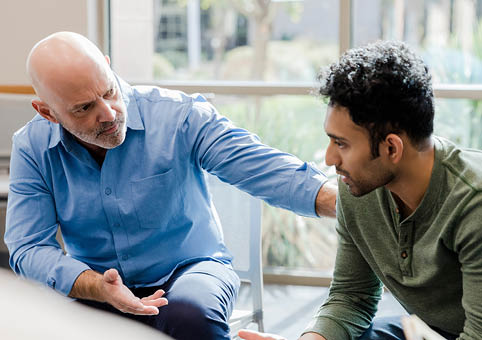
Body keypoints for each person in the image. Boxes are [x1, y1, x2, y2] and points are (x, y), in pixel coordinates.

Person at [4, 31, 336, 340]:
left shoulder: (179, 116)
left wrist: (349, 202)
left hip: (191, 270)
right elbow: (28, 247)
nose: (108, 113)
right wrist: (95, 286)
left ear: (107, 66)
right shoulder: (33, 147)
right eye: (84, 108)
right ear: (47, 112)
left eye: (109, 91)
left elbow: (262, 168)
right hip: (99, 283)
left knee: (190, 316)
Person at [238, 41, 482, 340]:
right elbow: (352, 296)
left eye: (341, 144)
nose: (329, 159)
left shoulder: (474, 204)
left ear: (391, 147)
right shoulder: (359, 190)